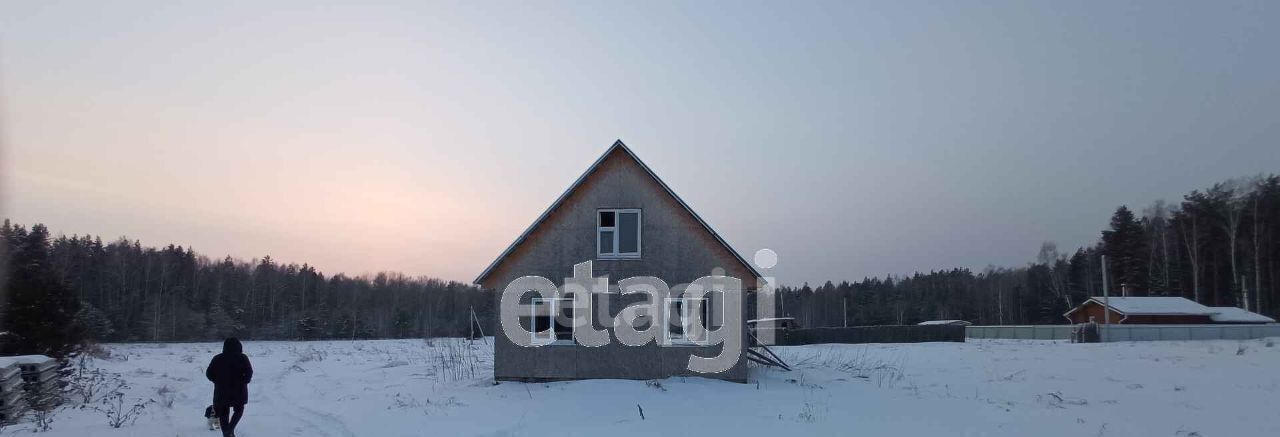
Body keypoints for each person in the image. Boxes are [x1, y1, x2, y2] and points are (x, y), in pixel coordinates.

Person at [206, 338, 253, 437]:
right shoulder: (243, 358)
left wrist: (217, 381)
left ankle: (226, 432)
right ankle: (230, 430)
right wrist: (244, 381)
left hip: (222, 390)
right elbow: (249, 372)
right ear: (239, 346)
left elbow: (209, 373)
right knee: (239, 410)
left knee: (223, 412)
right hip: (239, 390)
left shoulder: (218, 358)